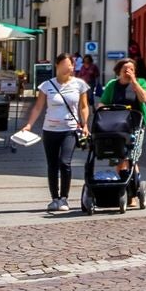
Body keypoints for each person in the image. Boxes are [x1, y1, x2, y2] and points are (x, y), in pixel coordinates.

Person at [19, 52, 92, 212]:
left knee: (65, 163)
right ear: (57, 66)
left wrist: (85, 124)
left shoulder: (80, 84)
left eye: (70, 65)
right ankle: (54, 199)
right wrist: (29, 124)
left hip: (70, 129)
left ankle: (64, 198)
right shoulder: (46, 86)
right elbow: (38, 107)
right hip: (50, 130)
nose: (68, 68)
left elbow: (84, 106)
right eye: (65, 65)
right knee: (52, 165)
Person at [99, 57, 146, 181]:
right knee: (119, 156)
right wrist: (103, 111)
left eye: (132, 69)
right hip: (116, 125)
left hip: (136, 124)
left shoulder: (141, 82)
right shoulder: (113, 84)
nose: (128, 72)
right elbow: (102, 103)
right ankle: (121, 184)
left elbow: (144, 98)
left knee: (131, 157)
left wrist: (134, 82)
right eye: (125, 69)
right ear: (119, 71)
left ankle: (133, 187)